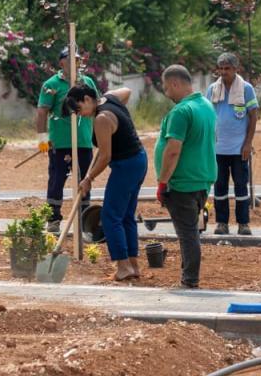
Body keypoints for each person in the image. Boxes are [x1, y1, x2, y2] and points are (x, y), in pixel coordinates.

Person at [70, 83, 147, 282]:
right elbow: (128, 90)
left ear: (87, 99)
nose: (80, 115)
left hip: (126, 166)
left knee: (111, 216)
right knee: (127, 215)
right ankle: (133, 266)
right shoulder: (110, 97)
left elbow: (105, 156)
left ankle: (123, 267)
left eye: (79, 109)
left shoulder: (102, 119)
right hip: (139, 159)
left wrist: (88, 179)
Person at [155, 64, 217, 289]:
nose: (166, 93)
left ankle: (189, 279)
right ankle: (188, 276)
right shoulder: (206, 106)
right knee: (191, 230)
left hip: (182, 183)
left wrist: (163, 182)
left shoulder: (181, 112)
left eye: (166, 87)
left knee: (187, 233)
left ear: (175, 83)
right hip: (201, 179)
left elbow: (173, 150)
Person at [35, 47, 100, 232]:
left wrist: (99, 136)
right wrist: (42, 138)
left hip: (83, 143)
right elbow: (42, 111)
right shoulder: (51, 84)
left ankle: (85, 221)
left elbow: (97, 108)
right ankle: (53, 220)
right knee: (57, 180)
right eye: (71, 59)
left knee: (85, 179)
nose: (76, 63)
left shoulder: (87, 83)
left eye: (78, 60)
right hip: (60, 144)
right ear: (61, 62)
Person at [207, 52, 260, 236]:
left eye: (227, 68)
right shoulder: (213, 89)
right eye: (220, 68)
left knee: (241, 187)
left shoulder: (246, 88)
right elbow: (207, 116)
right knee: (219, 187)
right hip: (218, 149)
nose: (223, 72)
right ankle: (222, 223)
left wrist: (248, 143)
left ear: (236, 69)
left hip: (239, 149)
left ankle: (243, 224)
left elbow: (253, 116)